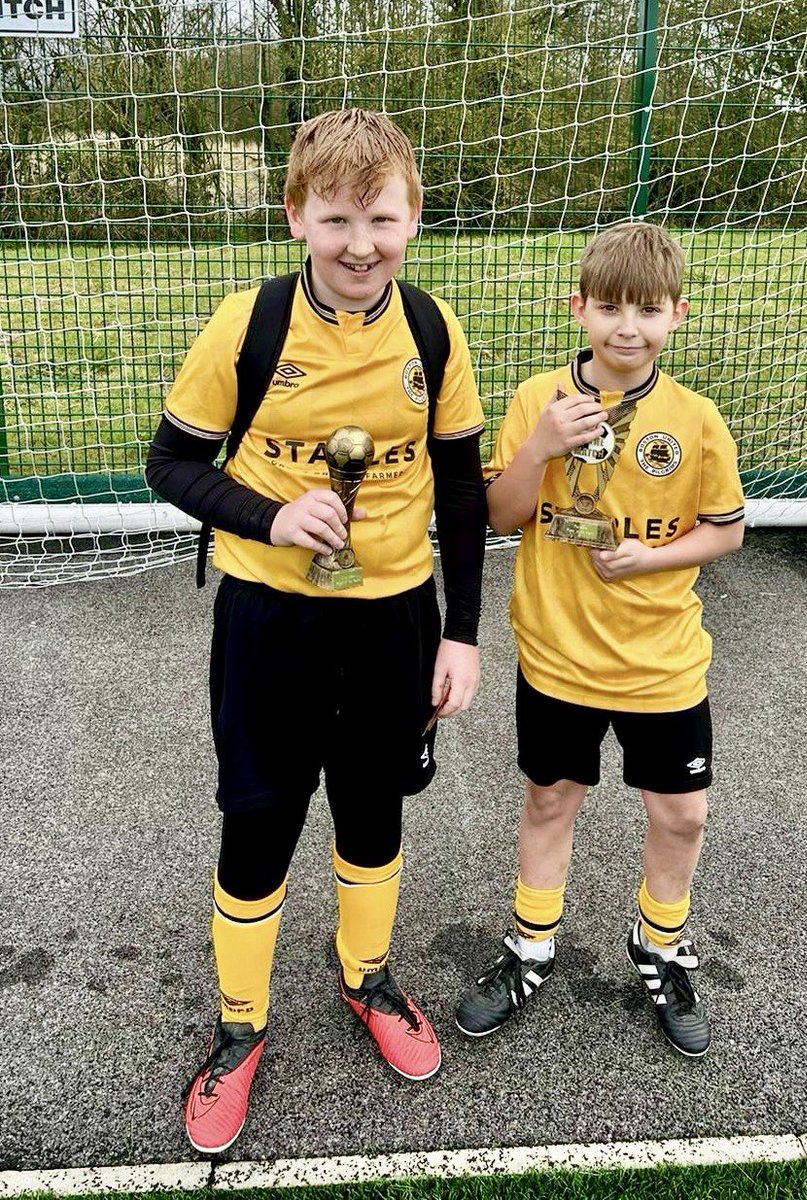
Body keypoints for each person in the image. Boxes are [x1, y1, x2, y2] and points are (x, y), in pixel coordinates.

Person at [145, 108, 486, 1154]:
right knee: (258, 816)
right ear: (297, 216)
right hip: (267, 619)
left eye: (379, 218)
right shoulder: (245, 326)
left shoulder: (431, 330)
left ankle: (367, 976)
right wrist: (273, 515)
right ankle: (241, 1027)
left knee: (372, 807)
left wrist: (461, 633)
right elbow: (170, 464)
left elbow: (465, 496)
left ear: (412, 218)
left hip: (392, 622)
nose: (358, 244)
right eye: (335, 217)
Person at [454, 222, 744, 1059]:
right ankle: (530, 945)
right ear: (577, 308)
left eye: (647, 310)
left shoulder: (693, 419)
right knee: (550, 800)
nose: (627, 327)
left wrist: (654, 555)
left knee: (681, 814)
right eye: (609, 307)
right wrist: (541, 447)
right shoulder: (534, 401)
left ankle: (659, 948)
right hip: (557, 654)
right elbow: (501, 517)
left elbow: (724, 532)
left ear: (676, 315)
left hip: (662, 663)